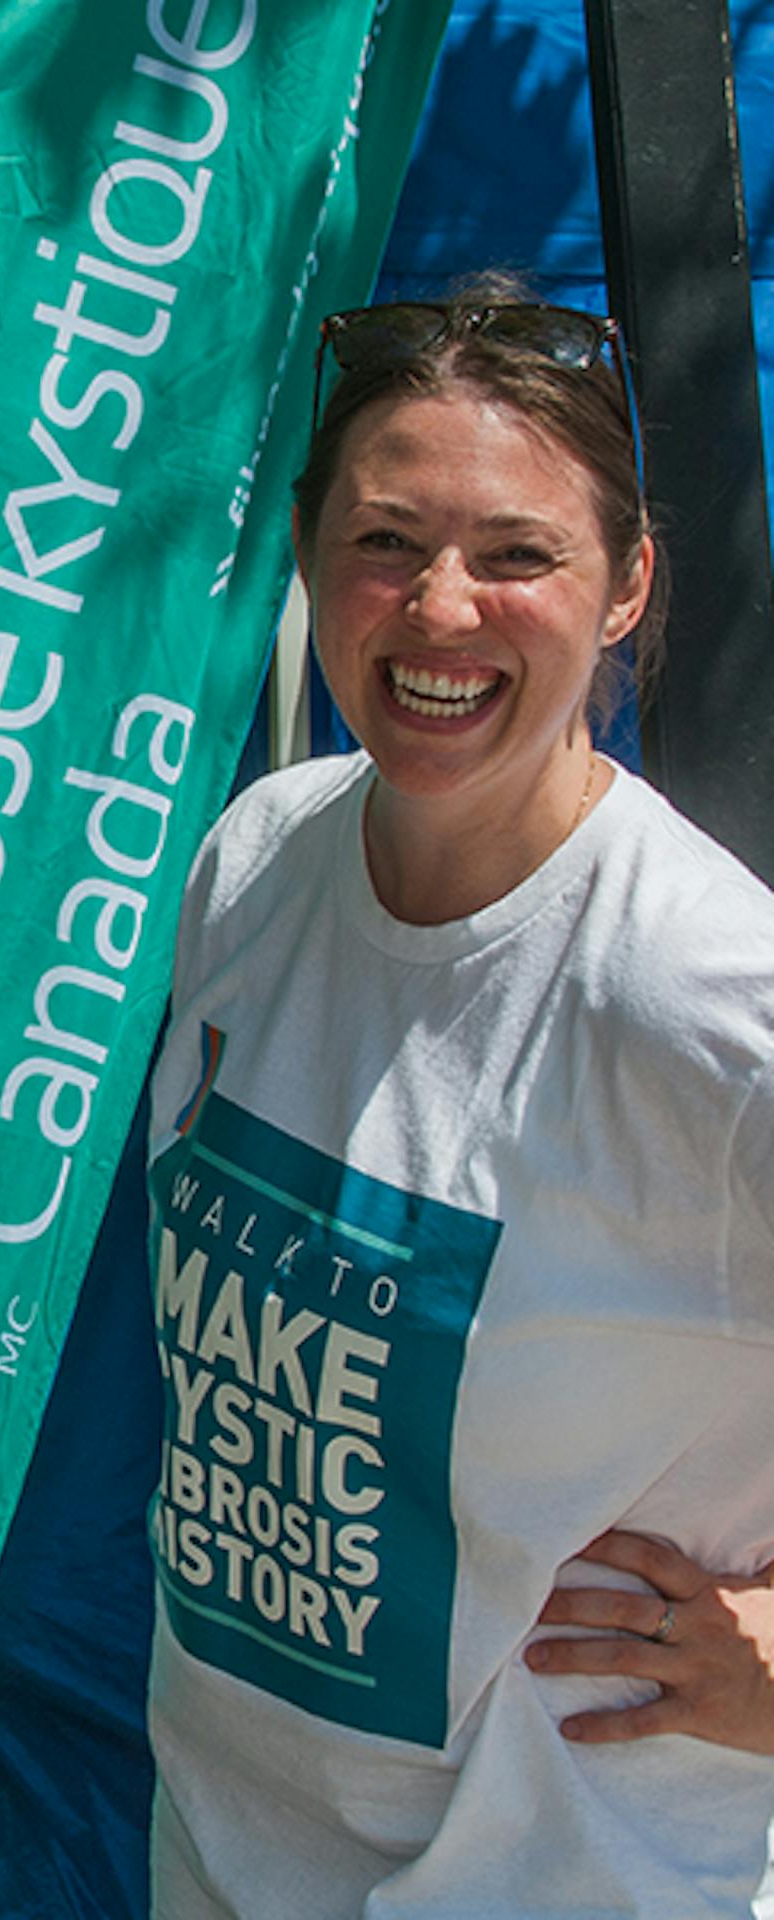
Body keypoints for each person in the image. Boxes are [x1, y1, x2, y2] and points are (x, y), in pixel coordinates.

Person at [143, 276, 774, 1915]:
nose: (438, 610)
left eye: (517, 554)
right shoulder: (256, 862)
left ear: (628, 583)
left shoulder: (707, 997)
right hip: (221, 1861)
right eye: (387, 541)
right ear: (306, 550)